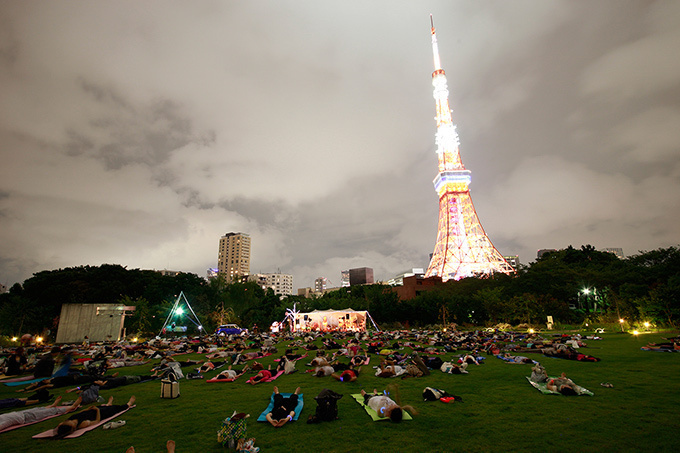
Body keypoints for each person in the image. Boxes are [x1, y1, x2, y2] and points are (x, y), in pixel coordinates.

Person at [52, 395, 135, 437]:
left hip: (91, 411)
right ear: (74, 427)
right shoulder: (82, 424)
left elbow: (80, 414)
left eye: (69, 421)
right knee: (114, 409)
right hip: (99, 414)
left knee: (103, 407)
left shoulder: (69, 420)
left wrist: (87, 409)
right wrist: (97, 411)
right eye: (72, 424)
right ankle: (128, 404)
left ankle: (108, 404)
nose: (72, 421)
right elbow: (97, 421)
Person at [0, 396, 81, 431]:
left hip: (21, 413)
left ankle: (52, 405)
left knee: (37, 408)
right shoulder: (3, 422)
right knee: (49, 412)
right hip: (25, 418)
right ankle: (71, 407)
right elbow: (4, 425)